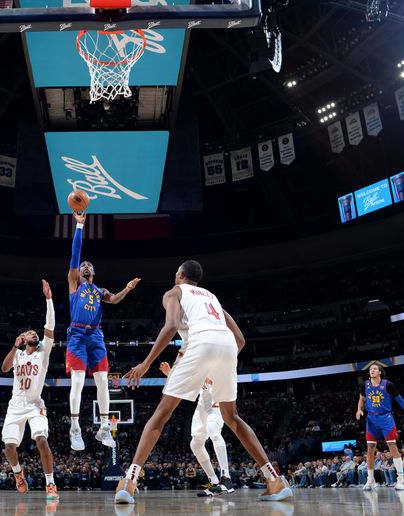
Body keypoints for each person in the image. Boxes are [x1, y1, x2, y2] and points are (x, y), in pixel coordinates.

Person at [113, 260, 292, 504]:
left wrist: (146, 363)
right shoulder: (213, 297)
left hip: (201, 343)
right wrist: (218, 365)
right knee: (233, 418)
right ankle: (275, 480)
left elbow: (172, 325)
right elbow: (239, 339)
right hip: (227, 346)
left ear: (180, 275)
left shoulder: (174, 292)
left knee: (162, 414)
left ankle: (129, 481)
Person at [65, 211, 140, 452]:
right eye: (83, 265)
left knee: (103, 384)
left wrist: (127, 289)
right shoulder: (74, 282)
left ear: (93, 272)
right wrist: (79, 226)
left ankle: (104, 427)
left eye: (89, 265)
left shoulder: (99, 291)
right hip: (76, 335)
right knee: (77, 382)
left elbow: (115, 300)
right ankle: (75, 427)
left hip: (95, 336)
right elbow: (76, 254)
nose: (85, 266)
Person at [0, 280, 59, 501]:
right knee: (9, 447)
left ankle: (50, 482)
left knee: (41, 439)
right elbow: (4, 368)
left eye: (36, 333)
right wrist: (14, 346)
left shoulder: (43, 353)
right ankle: (18, 474)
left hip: (35, 405)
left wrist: (49, 299)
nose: (34, 334)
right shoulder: (18, 353)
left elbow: (50, 326)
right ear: (24, 339)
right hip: (15, 405)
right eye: (30, 332)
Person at [158, 362, 234, 496]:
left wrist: (211, 376)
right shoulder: (196, 359)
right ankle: (214, 483)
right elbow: (187, 381)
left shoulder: (216, 356)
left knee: (213, 431)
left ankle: (226, 478)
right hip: (203, 404)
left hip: (217, 399)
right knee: (196, 444)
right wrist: (170, 373)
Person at [355, 363, 404, 491]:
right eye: (370, 369)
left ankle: (401, 479)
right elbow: (362, 399)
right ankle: (371, 479)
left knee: (392, 446)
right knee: (370, 449)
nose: (372, 370)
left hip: (386, 418)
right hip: (371, 419)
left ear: (380, 372)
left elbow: (400, 400)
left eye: (374, 369)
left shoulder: (388, 385)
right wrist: (359, 410)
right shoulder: (365, 385)